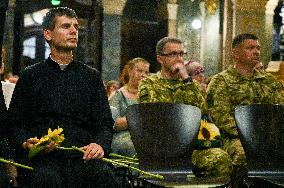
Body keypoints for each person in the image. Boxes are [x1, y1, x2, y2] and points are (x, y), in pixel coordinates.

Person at [7, 7, 119, 187]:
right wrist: (26, 143)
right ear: (48, 34)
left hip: (82, 154)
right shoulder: (30, 76)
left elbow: (104, 122)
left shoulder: (91, 76)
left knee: (105, 178)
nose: (74, 31)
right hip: (45, 156)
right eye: (66, 26)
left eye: (76, 26)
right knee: (46, 180)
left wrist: (99, 145)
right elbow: (15, 123)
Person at [138, 37, 232, 178]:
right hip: (163, 149)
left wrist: (186, 78)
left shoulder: (189, 84)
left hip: (192, 148)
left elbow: (203, 111)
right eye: (173, 54)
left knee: (221, 158)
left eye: (181, 54)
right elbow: (153, 117)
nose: (179, 59)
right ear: (160, 59)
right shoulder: (148, 84)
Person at [207, 33, 284, 186]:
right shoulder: (221, 81)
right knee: (242, 155)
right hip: (234, 138)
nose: (256, 52)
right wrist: (251, 135)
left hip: (267, 137)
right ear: (235, 53)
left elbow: (279, 111)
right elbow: (220, 117)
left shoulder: (268, 81)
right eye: (250, 48)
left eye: (258, 48)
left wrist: (268, 134)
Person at [109, 57, 150, 157]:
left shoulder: (150, 94)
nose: (143, 75)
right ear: (130, 71)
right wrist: (138, 119)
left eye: (146, 72)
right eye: (139, 71)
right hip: (124, 137)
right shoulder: (118, 95)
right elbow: (112, 122)